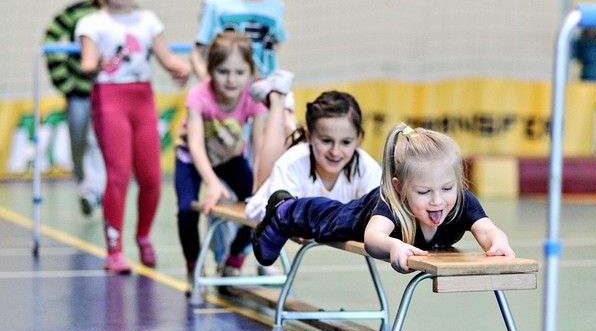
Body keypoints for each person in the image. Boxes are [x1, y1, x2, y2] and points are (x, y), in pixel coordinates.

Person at [252, 124, 515, 274]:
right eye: (424, 193)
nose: (437, 201)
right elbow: (373, 238)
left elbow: (487, 229)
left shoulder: (461, 202)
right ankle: (284, 210)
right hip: (358, 217)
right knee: (328, 219)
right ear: (399, 187)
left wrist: (498, 242)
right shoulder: (392, 202)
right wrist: (393, 247)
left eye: (447, 188)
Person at [76, 0, 192, 273]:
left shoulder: (148, 20)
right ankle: (114, 248)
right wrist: (96, 64)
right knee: (118, 176)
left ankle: (143, 236)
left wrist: (179, 68)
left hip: (143, 100)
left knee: (153, 177)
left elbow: (167, 58)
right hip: (109, 99)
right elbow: (87, 62)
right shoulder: (92, 23)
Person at [191, 0, 295, 187]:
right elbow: (199, 50)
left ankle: (257, 216)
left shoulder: (275, 8)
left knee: (264, 160)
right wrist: (210, 83)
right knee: (227, 162)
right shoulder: (217, 4)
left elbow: (274, 45)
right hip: (230, 101)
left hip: (263, 98)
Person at [175, 32, 268, 281]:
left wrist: (261, 184)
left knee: (261, 206)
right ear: (210, 70)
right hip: (191, 160)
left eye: (239, 73)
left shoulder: (253, 97)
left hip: (231, 159)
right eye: (223, 71)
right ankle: (194, 264)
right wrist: (212, 182)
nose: (231, 80)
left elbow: (259, 146)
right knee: (187, 209)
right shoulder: (199, 95)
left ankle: (234, 259)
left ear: (249, 72)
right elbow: (195, 145)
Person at [245, 90, 382, 223]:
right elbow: (278, 214)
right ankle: (278, 102)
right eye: (326, 141)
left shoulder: (367, 167)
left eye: (346, 142)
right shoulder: (293, 161)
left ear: (358, 138)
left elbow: (379, 216)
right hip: (266, 203)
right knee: (265, 179)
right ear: (309, 136)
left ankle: (288, 116)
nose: (335, 152)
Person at [43, 0, 106, 216]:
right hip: (79, 94)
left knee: (99, 143)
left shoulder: (128, 16)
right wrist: (64, 83)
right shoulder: (75, 13)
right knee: (79, 143)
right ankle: (85, 186)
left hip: (109, 94)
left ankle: (93, 191)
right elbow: (50, 40)